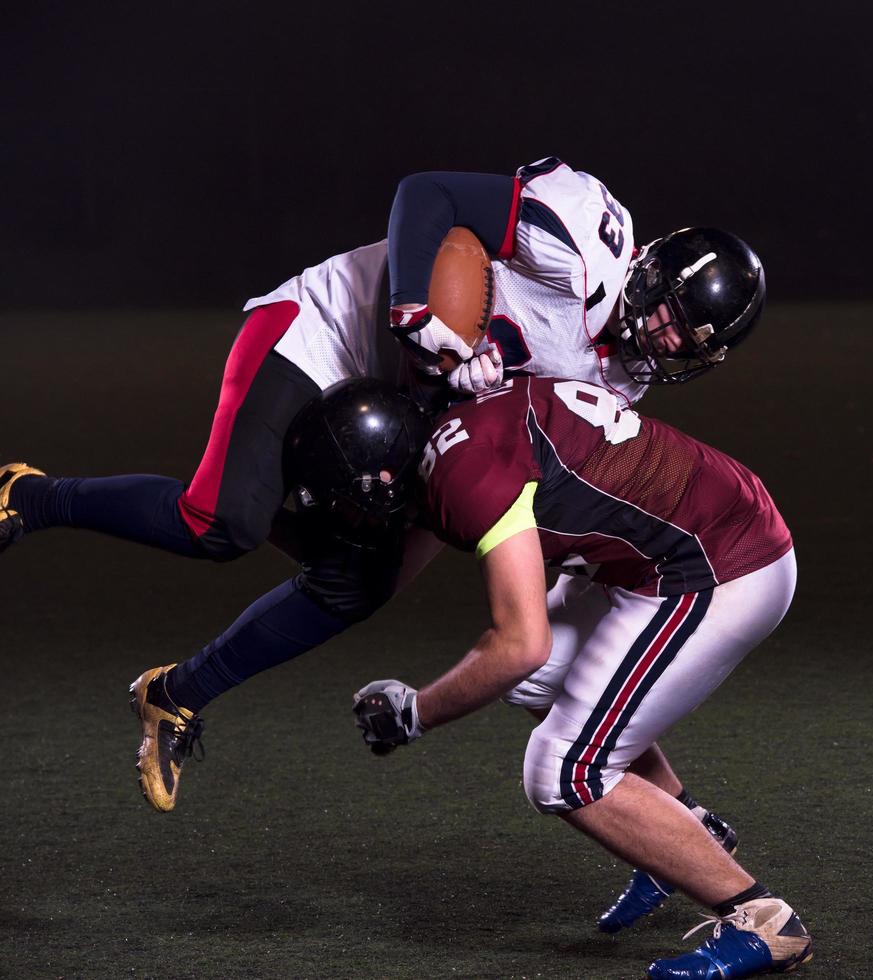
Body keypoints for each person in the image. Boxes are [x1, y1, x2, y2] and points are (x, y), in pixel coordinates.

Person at [0, 157, 768, 929]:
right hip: (327, 334)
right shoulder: (576, 239)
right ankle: (28, 497)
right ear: (650, 268)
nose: (661, 337)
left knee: (355, 587)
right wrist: (413, 307)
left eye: (684, 343)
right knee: (221, 523)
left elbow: (506, 459)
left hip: (412, 415)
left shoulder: (619, 381)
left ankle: (174, 696)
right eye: (667, 312)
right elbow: (424, 194)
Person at [348, 373, 811, 979]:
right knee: (537, 688)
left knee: (564, 771)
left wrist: (417, 712)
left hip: (717, 565)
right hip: (676, 538)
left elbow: (520, 643)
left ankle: (766, 921)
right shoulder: (468, 423)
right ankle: (688, 831)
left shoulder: (462, 470)